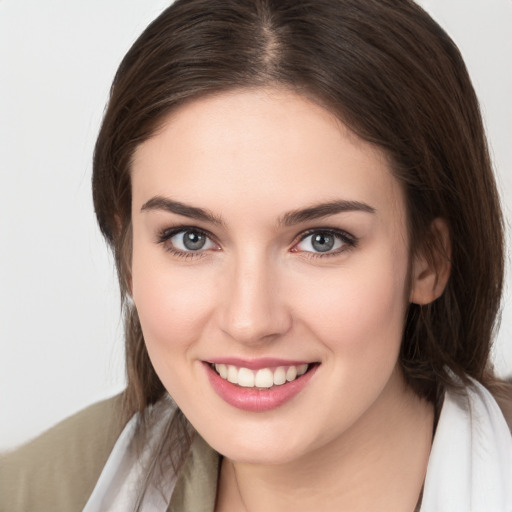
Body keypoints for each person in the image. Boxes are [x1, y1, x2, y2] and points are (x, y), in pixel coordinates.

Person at [1, 0, 511, 510]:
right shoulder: (32, 494)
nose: (250, 321)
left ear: (429, 259)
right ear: (129, 253)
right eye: (191, 238)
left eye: (321, 240)